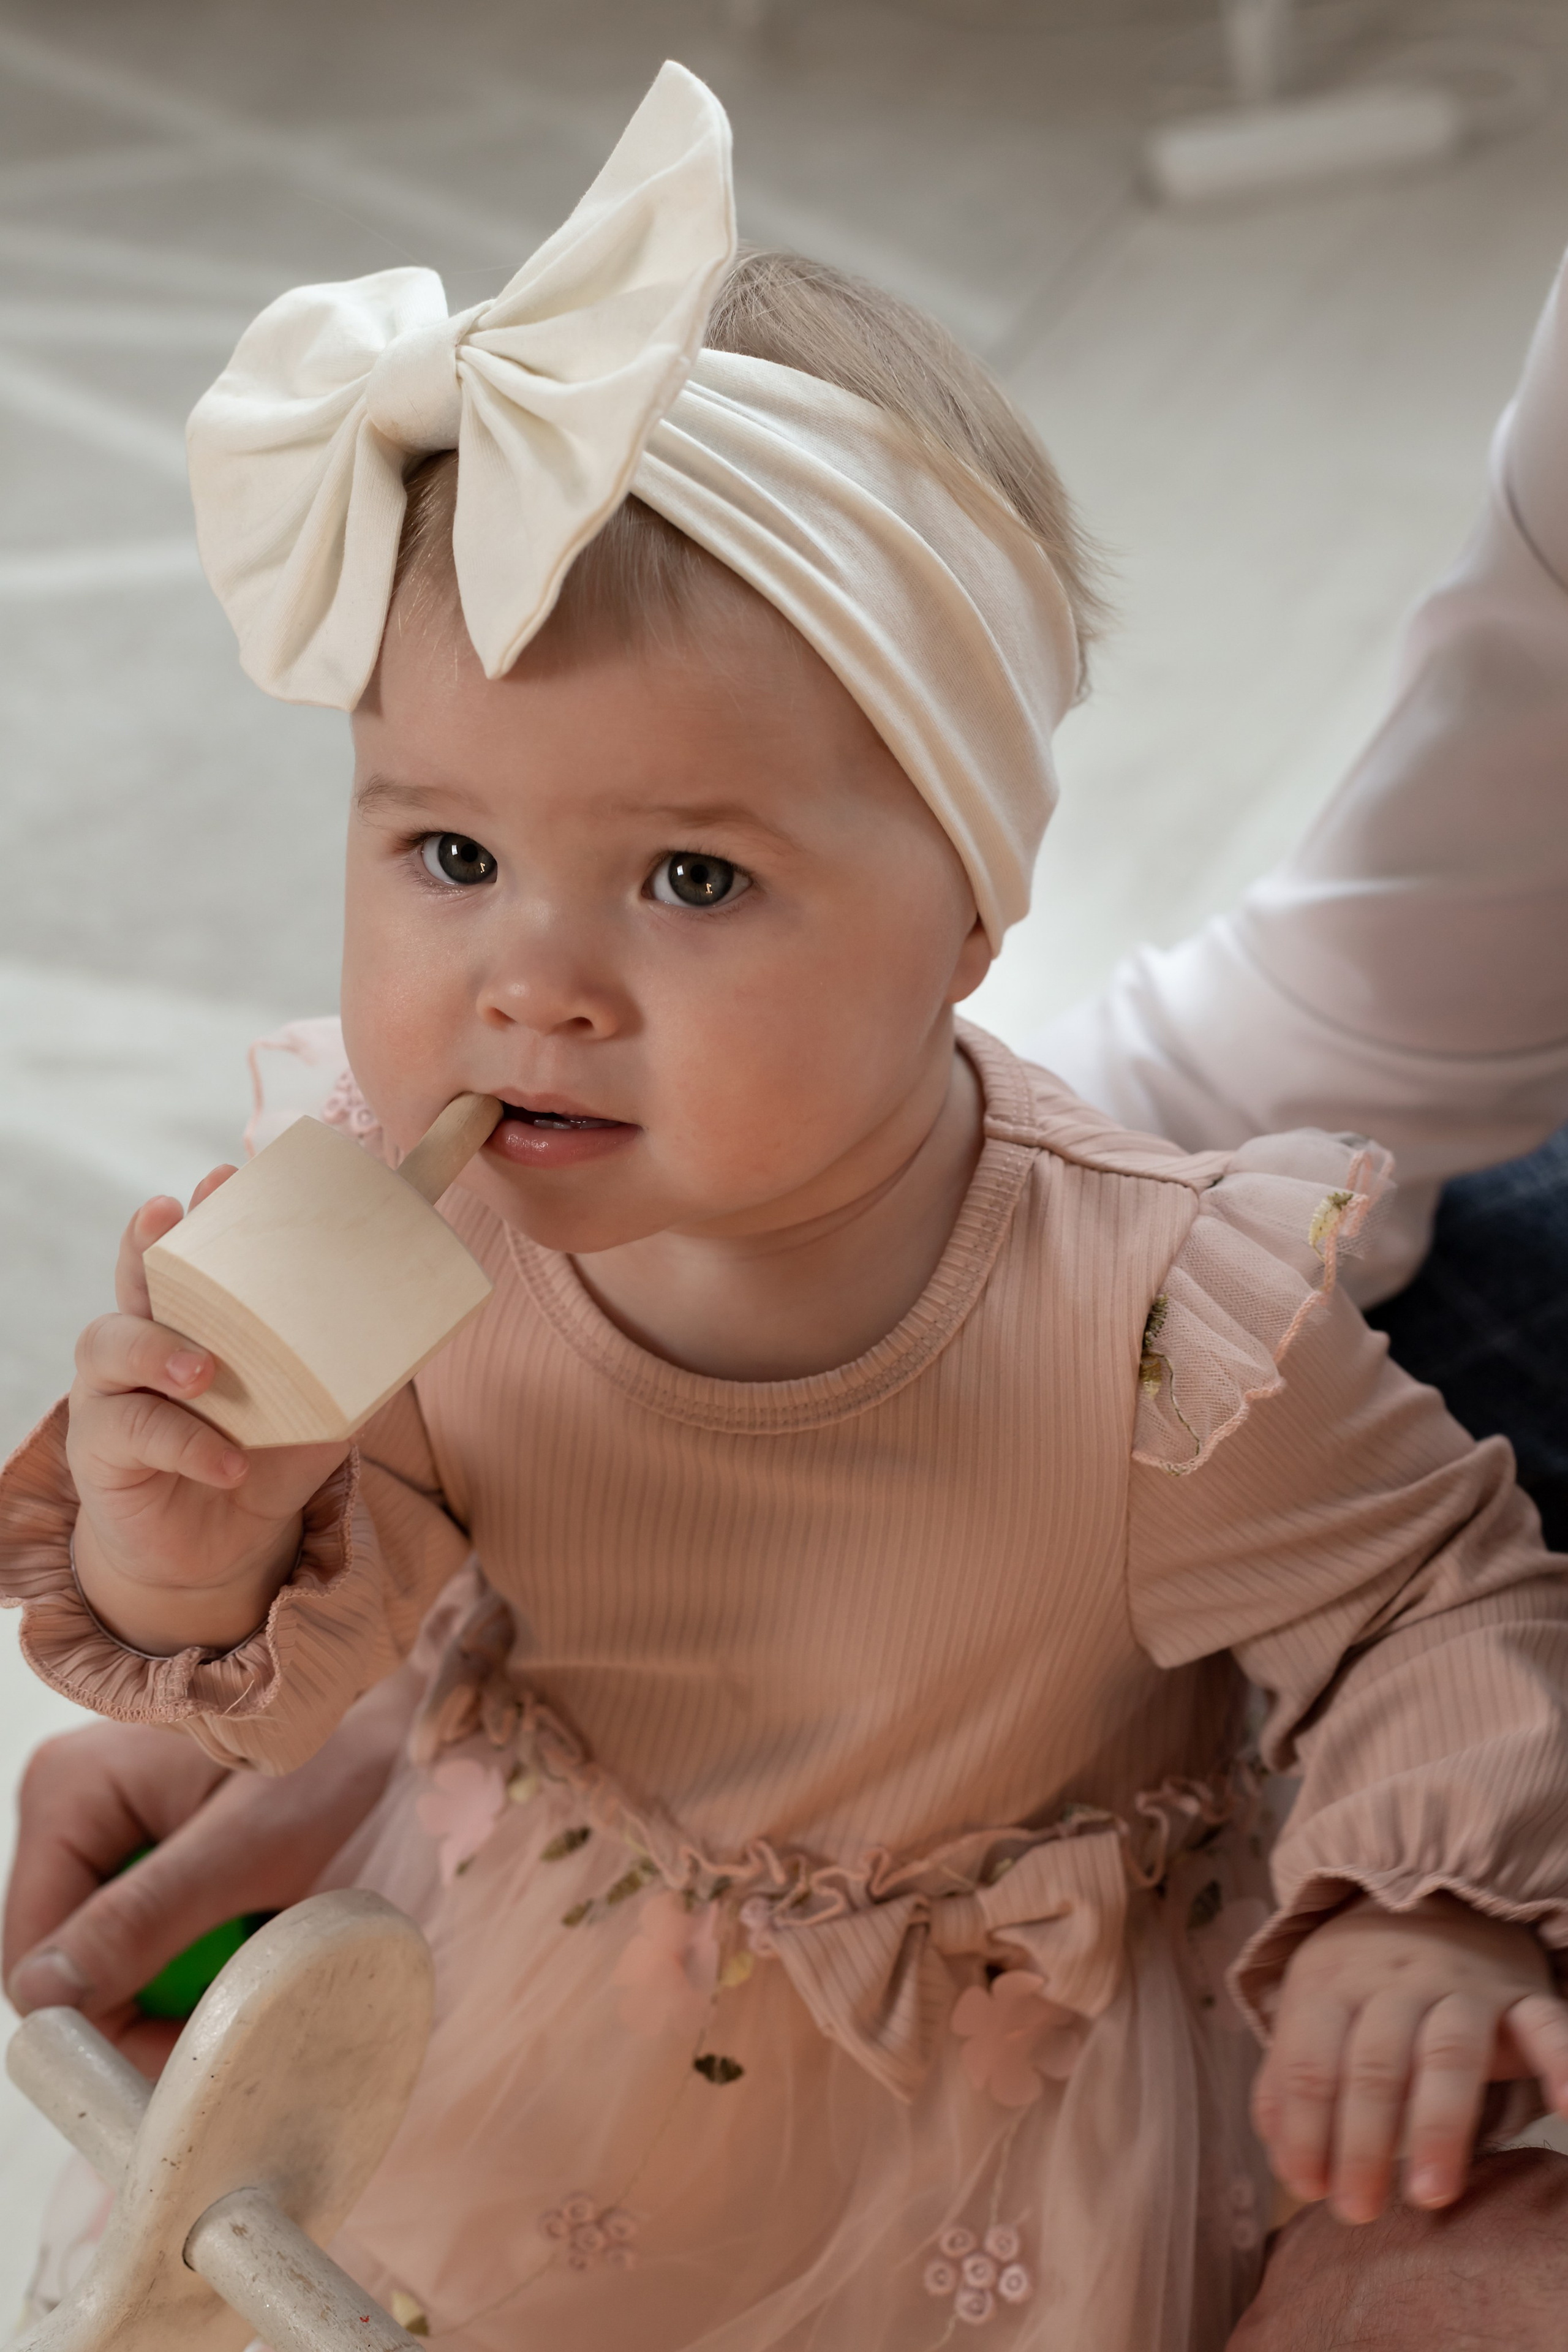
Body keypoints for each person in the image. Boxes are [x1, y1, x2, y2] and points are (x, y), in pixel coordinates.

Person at [4, 64, 1568, 2352]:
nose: (526, 981)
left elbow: (1431, 1595)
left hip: (984, 2095)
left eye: (695, 877)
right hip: (537, 1988)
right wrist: (195, 1537)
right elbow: (322, 1644)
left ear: (968, 922)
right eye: (448, 855)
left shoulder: (1150, 1325)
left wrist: (1428, 1913)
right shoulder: (410, 1252)